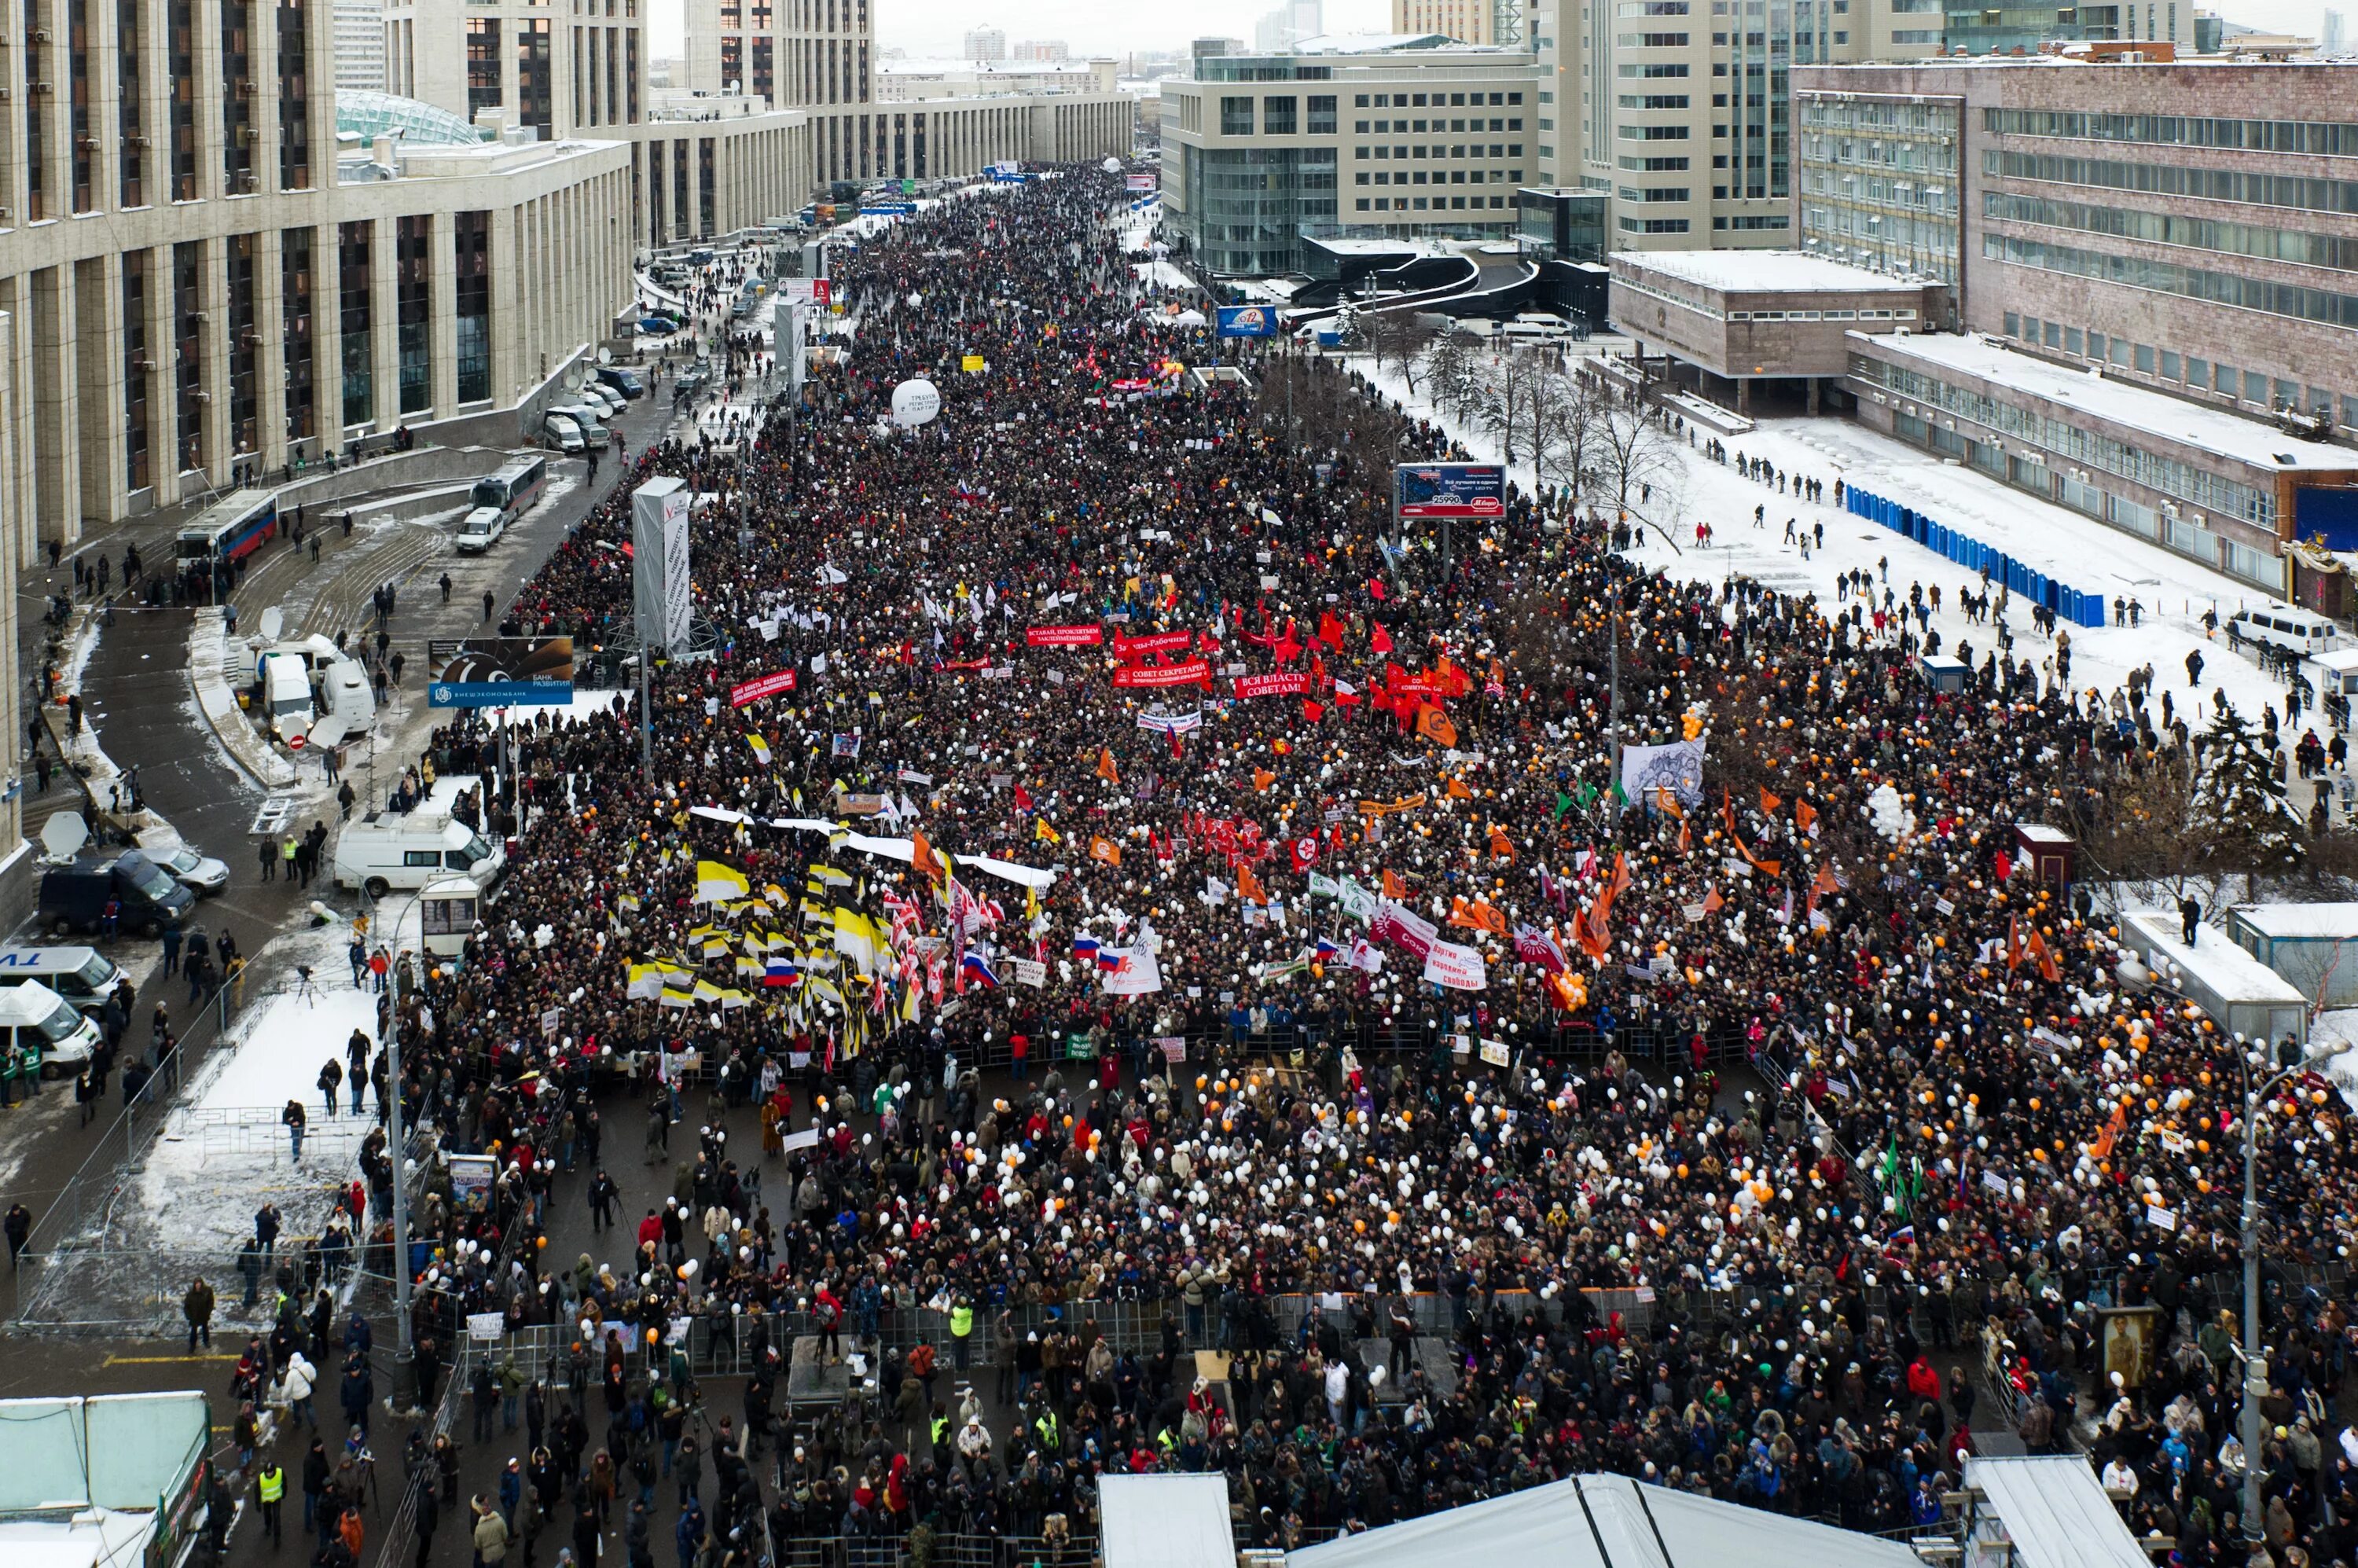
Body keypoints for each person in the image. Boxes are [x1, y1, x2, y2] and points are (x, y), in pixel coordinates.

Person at [255, 1455, 287, 1548]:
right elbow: (257, 1492)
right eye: (268, 1473)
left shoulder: (280, 1473)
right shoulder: (261, 1478)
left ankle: (277, 1538)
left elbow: (284, 1483)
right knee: (267, 1514)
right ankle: (268, 1525)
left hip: (277, 1498)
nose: (269, 1474)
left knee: (277, 1518)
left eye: (271, 1472)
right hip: (267, 1500)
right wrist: (258, 1504)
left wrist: (284, 1493)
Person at [182, 1274, 215, 1353]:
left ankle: (206, 1341)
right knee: (194, 1331)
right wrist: (189, 1316)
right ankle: (192, 1345)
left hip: (203, 1314)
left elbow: (211, 1302)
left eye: (199, 1284)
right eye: (197, 1284)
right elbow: (186, 1306)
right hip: (194, 1316)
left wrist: (208, 1312)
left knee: (205, 1328)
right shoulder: (190, 1295)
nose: (198, 1286)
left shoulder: (207, 1291)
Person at [4, 1202, 29, 1268]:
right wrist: (16, 1231)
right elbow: (7, 1229)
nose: (17, 1212)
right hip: (13, 1238)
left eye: (18, 1210)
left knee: (25, 1247)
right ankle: (16, 1265)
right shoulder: (9, 1218)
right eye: (16, 1211)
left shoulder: (23, 1212)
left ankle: (28, 1258)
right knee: (15, 1251)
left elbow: (28, 1219)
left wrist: (25, 1228)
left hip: (22, 1235)